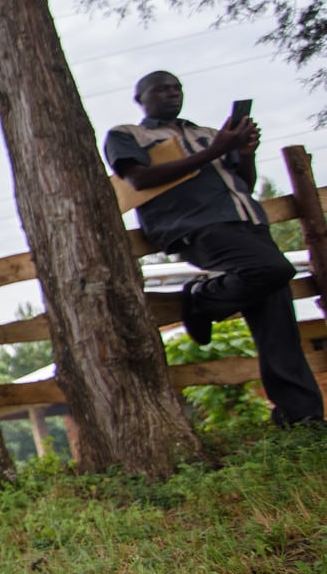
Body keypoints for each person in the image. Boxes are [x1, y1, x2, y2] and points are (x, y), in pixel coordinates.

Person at [103, 70, 324, 427]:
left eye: (177, 88)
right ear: (139, 98)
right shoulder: (128, 135)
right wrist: (217, 151)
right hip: (196, 226)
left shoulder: (208, 134)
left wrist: (243, 153)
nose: (172, 94)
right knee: (275, 270)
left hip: (248, 222)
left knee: (278, 325)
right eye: (161, 89)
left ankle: (301, 416)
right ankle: (201, 298)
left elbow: (244, 184)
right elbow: (139, 179)